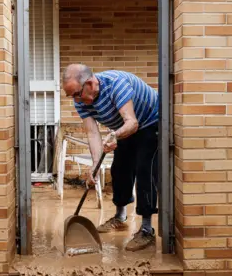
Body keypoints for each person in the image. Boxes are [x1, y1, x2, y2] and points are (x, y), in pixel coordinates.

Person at [61, 63, 159, 252]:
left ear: (90, 83)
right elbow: (92, 133)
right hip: (125, 128)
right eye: (71, 96)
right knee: (120, 168)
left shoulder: (116, 85)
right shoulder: (81, 99)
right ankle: (120, 217)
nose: (75, 100)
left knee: (144, 169)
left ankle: (147, 229)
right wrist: (95, 167)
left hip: (150, 121)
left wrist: (115, 135)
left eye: (76, 94)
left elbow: (132, 123)